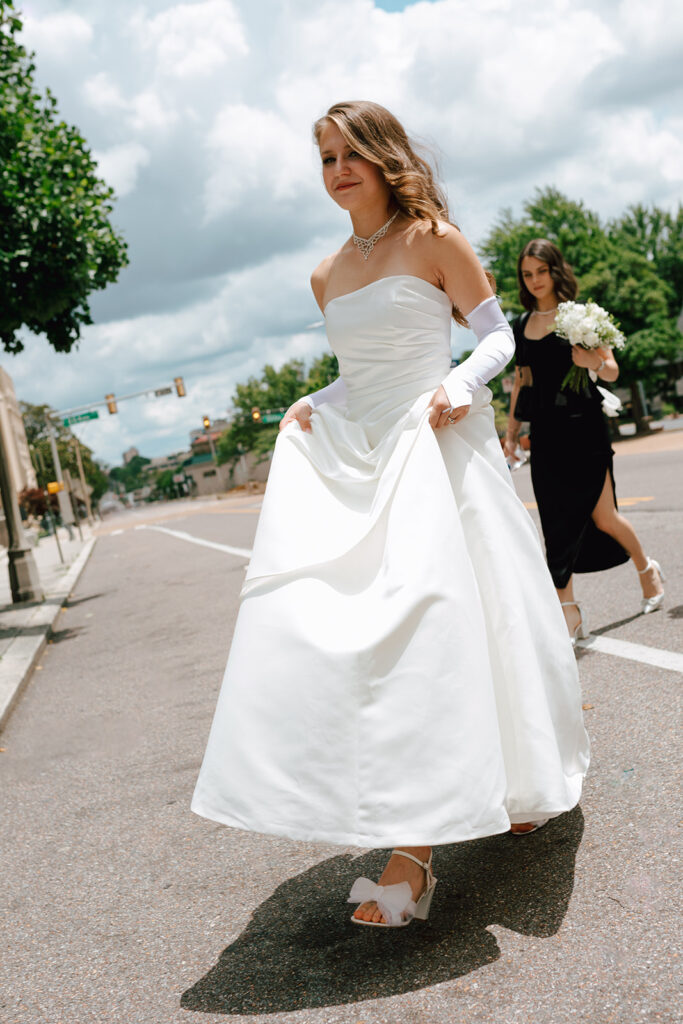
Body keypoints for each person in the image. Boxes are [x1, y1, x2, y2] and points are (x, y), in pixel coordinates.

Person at [192, 102, 590, 929]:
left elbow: (494, 338)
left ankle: (419, 846)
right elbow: (360, 374)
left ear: (382, 158)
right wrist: (313, 400)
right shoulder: (325, 272)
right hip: (368, 458)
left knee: (446, 626)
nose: (337, 170)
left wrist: (456, 385)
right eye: (325, 158)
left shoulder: (433, 238)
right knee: (379, 630)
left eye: (350, 155)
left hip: (438, 447)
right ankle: (437, 804)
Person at [503, 239, 665, 642]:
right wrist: (510, 432)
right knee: (554, 527)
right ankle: (569, 615)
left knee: (605, 518)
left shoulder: (582, 316)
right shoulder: (520, 325)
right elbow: (521, 382)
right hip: (545, 435)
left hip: (585, 431)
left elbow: (611, 370)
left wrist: (591, 360)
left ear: (555, 270)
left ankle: (648, 570)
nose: (535, 280)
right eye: (527, 274)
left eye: (541, 271)